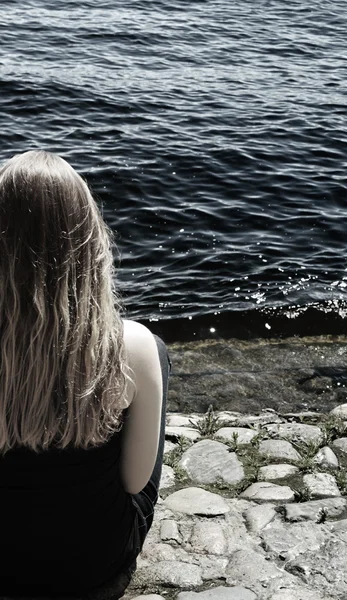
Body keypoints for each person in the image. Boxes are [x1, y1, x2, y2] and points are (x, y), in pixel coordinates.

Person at [0, 150, 169, 597]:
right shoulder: (129, 346)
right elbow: (135, 482)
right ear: (87, 237)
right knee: (157, 357)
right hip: (92, 570)